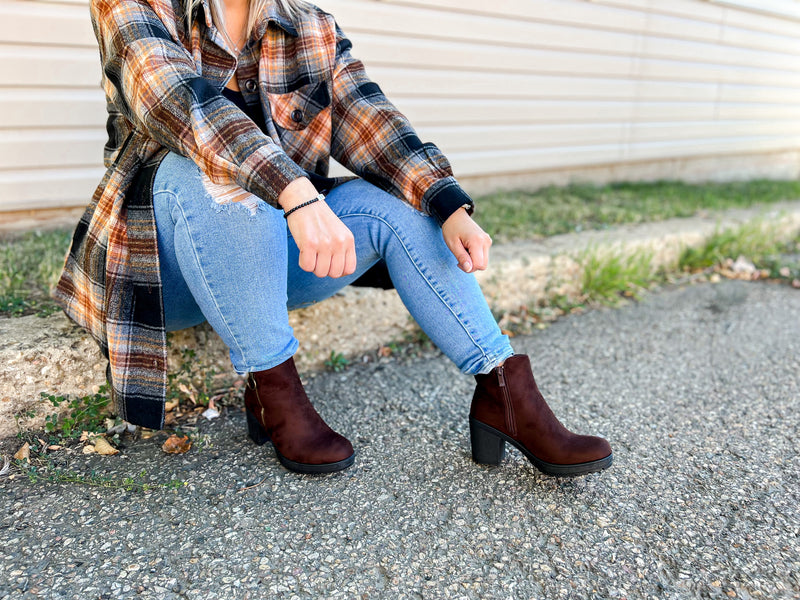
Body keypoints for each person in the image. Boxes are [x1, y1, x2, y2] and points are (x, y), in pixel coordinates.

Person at [55, 0, 612, 476]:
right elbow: (179, 102)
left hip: (273, 261)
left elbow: (370, 119)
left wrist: (447, 201)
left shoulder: (309, 23)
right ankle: (272, 390)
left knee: (405, 203)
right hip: (162, 266)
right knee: (212, 174)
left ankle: (503, 393)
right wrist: (294, 190)